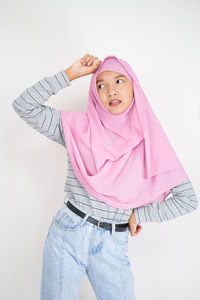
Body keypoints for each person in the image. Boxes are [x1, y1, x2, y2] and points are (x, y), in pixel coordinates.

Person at [12, 53, 198, 300]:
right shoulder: (77, 128)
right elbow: (24, 105)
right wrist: (69, 74)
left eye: (120, 81)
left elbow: (188, 200)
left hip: (113, 242)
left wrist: (138, 214)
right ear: (94, 93)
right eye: (101, 85)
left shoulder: (151, 143)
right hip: (69, 231)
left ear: (135, 86)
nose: (111, 91)